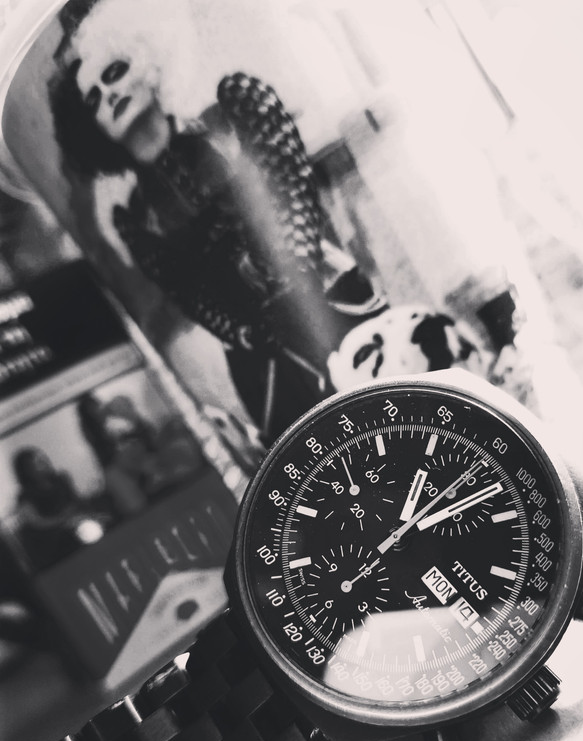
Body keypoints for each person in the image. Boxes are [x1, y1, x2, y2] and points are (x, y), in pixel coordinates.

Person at [49, 0, 384, 442]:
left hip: (327, 302)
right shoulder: (135, 219)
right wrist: (245, 334)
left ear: (148, 61)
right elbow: (194, 300)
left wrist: (295, 276)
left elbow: (291, 188)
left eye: (114, 73)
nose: (108, 95)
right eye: (93, 99)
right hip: (265, 360)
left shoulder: (231, 116)